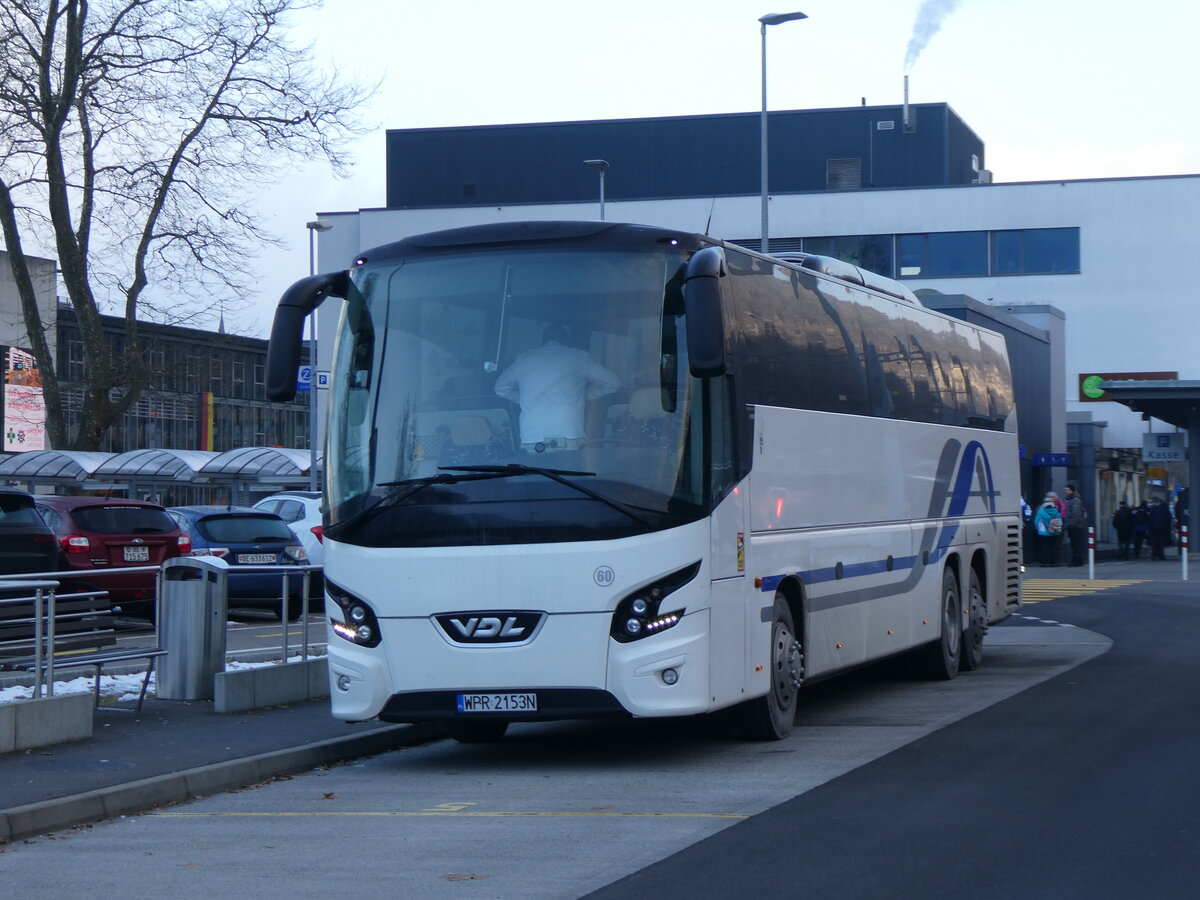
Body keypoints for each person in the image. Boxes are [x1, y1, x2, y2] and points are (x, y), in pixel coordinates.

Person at [494, 324, 620, 453]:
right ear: (566, 342)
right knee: (567, 472)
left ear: (543, 342)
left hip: (533, 437)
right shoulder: (578, 358)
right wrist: (588, 394)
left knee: (534, 471)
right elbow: (613, 382)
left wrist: (522, 398)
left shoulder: (524, 360)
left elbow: (500, 388)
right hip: (567, 435)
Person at [1033, 494, 1064, 566]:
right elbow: (1060, 522)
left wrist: (1036, 527)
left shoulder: (1041, 512)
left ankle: (1045, 562)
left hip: (1043, 533)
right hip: (1055, 532)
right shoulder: (1056, 511)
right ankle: (1054, 562)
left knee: (1045, 547)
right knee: (1054, 547)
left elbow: (1036, 521)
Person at [1063, 483, 1088, 567]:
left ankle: (1075, 561)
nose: (1065, 491)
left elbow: (1076, 514)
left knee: (1075, 544)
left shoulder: (1075, 500)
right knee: (1075, 544)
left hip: (1075, 526)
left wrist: (1072, 524)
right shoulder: (1070, 499)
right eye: (1065, 489)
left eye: (1067, 490)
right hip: (1072, 525)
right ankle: (1079, 560)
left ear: (1072, 490)